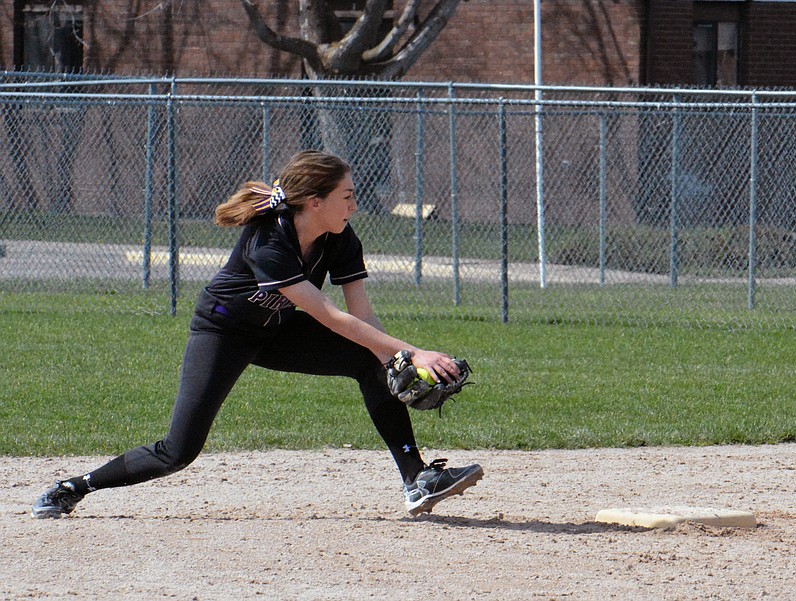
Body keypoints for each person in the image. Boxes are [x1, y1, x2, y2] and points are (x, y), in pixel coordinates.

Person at [32, 150, 483, 519]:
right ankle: (73, 487)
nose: (354, 205)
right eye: (346, 196)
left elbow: (361, 314)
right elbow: (326, 314)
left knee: (371, 358)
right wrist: (415, 352)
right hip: (224, 331)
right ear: (314, 202)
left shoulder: (341, 237)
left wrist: (395, 360)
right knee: (178, 450)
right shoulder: (267, 239)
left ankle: (417, 480)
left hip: (280, 330)